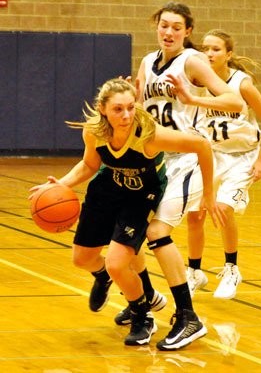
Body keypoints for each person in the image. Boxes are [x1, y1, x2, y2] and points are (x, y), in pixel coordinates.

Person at [29, 78, 222, 348]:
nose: (127, 115)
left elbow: (202, 146)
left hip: (141, 194)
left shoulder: (149, 135)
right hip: (107, 187)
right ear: (103, 109)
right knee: (82, 258)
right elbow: (88, 165)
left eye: (131, 107)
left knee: (118, 262)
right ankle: (118, 283)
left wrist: (209, 194)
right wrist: (60, 185)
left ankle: (142, 316)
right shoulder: (94, 132)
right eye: (118, 109)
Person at [113, 2, 243, 351]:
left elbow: (234, 102)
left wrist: (191, 98)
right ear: (157, 27)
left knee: (157, 233)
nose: (168, 32)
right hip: (156, 157)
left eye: (176, 27)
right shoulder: (147, 61)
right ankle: (144, 299)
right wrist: (133, 98)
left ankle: (188, 317)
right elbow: (144, 108)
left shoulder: (192, 61)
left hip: (188, 157)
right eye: (163, 26)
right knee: (133, 230)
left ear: (187, 32)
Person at [184, 29, 261, 299]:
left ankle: (232, 268)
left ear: (228, 54)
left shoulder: (242, 84)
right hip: (211, 154)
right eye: (205, 49)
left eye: (215, 49)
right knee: (195, 214)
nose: (209, 53)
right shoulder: (198, 82)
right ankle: (194, 272)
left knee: (223, 209)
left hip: (242, 157)